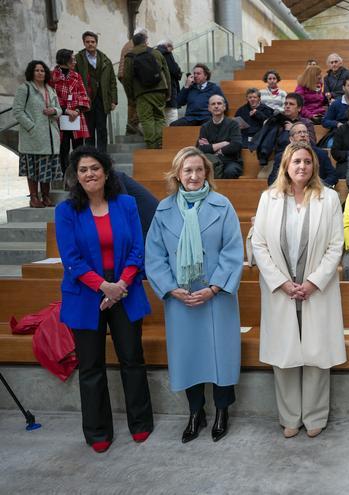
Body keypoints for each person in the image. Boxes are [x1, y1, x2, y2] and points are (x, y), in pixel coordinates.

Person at [55, 147, 153, 453]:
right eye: (83, 170)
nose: (90, 174)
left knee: (132, 359)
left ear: (107, 172)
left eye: (95, 168)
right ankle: (97, 431)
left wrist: (120, 285)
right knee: (90, 365)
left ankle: (140, 422)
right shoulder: (66, 210)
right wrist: (104, 287)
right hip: (86, 295)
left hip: (125, 289)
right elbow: (71, 259)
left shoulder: (126, 204)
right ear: (76, 176)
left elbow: (137, 248)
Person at [144, 147, 243, 443]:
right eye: (188, 170)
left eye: (199, 170)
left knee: (221, 356)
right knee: (188, 356)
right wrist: (170, 288)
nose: (194, 175)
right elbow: (154, 256)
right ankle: (195, 412)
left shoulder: (222, 206)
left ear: (207, 173)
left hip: (216, 297)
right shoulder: (164, 210)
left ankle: (222, 411)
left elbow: (232, 251)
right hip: (182, 299)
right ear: (178, 174)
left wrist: (214, 288)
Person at [251, 141, 346, 439]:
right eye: (296, 162)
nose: (302, 166)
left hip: (316, 289)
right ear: (286, 166)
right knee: (285, 353)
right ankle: (290, 416)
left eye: (307, 161)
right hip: (281, 289)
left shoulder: (329, 199)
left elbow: (336, 246)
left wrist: (312, 282)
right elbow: (259, 244)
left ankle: (315, 415)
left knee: (316, 353)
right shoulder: (269, 198)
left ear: (314, 165)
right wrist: (281, 283)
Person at [14, 60, 62, 208]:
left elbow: (59, 109)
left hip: (50, 137)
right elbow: (17, 111)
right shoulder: (25, 88)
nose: (40, 73)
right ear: (31, 72)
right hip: (33, 138)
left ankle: (46, 196)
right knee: (33, 168)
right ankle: (34, 197)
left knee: (47, 168)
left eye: (42, 70)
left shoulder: (50, 89)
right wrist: (31, 127)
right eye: (37, 70)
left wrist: (54, 111)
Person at [121, 32, 170, 149]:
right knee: (160, 117)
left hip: (142, 93)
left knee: (147, 119)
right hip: (159, 90)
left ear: (133, 43)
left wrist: (131, 97)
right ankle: (161, 143)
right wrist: (168, 92)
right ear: (145, 41)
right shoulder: (156, 53)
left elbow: (127, 79)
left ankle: (152, 146)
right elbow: (166, 73)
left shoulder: (129, 57)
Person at [75, 31, 116, 152]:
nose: (90, 44)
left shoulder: (105, 59)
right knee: (89, 129)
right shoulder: (78, 59)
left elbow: (112, 81)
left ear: (96, 43)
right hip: (86, 99)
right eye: (87, 42)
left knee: (102, 128)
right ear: (84, 43)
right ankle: (91, 155)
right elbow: (75, 80)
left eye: (92, 42)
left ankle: (102, 156)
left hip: (102, 98)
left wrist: (114, 100)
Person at [50, 49, 90, 173]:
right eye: (73, 59)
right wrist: (66, 110)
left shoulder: (76, 76)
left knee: (79, 149)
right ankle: (65, 176)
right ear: (65, 60)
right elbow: (50, 99)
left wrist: (77, 110)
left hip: (76, 117)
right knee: (63, 148)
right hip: (60, 117)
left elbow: (83, 95)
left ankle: (79, 174)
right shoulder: (52, 77)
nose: (75, 62)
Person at [268, 121, 336, 188]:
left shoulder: (321, 153)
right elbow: (272, 180)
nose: (303, 135)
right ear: (291, 139)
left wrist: (318, 186)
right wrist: (290, 188)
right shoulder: (282, 156)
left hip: (317, 191)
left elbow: (333, 176)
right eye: (299, 132)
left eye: (305, 132)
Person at [196, 95, 243, 179]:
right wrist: (223, 143)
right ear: (209, 108)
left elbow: (236, 145)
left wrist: (214, 149)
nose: (216, 106)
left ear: (224, 107)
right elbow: (201, 148)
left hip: (231, 161)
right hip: (212, 161)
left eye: (219, 103)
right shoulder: (205, 127)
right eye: (213, 104)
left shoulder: (233, 124)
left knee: (230, 171)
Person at [117, 27, 147, 135]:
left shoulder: (128, 44)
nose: (147, 40)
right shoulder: (134, 45)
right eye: (146, 37)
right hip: (130, 77)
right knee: (135, 102)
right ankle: (132, 126)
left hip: (125, 76)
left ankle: (131, 127)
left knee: (132, 102)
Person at [322, 75, 349, 144]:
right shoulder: (336, 103)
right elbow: (325, 121)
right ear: (343, 88)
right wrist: (337, 124)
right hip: (338, 134)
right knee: (331, 145)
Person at [156, 40, 183, 124]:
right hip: (169, 89)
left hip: (157, 91)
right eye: (172, 48)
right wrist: (179, 72)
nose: (172, 50)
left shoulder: (153, 53)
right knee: (171, 115)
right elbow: (174, 70)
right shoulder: (166, 53)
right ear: (167, 46)